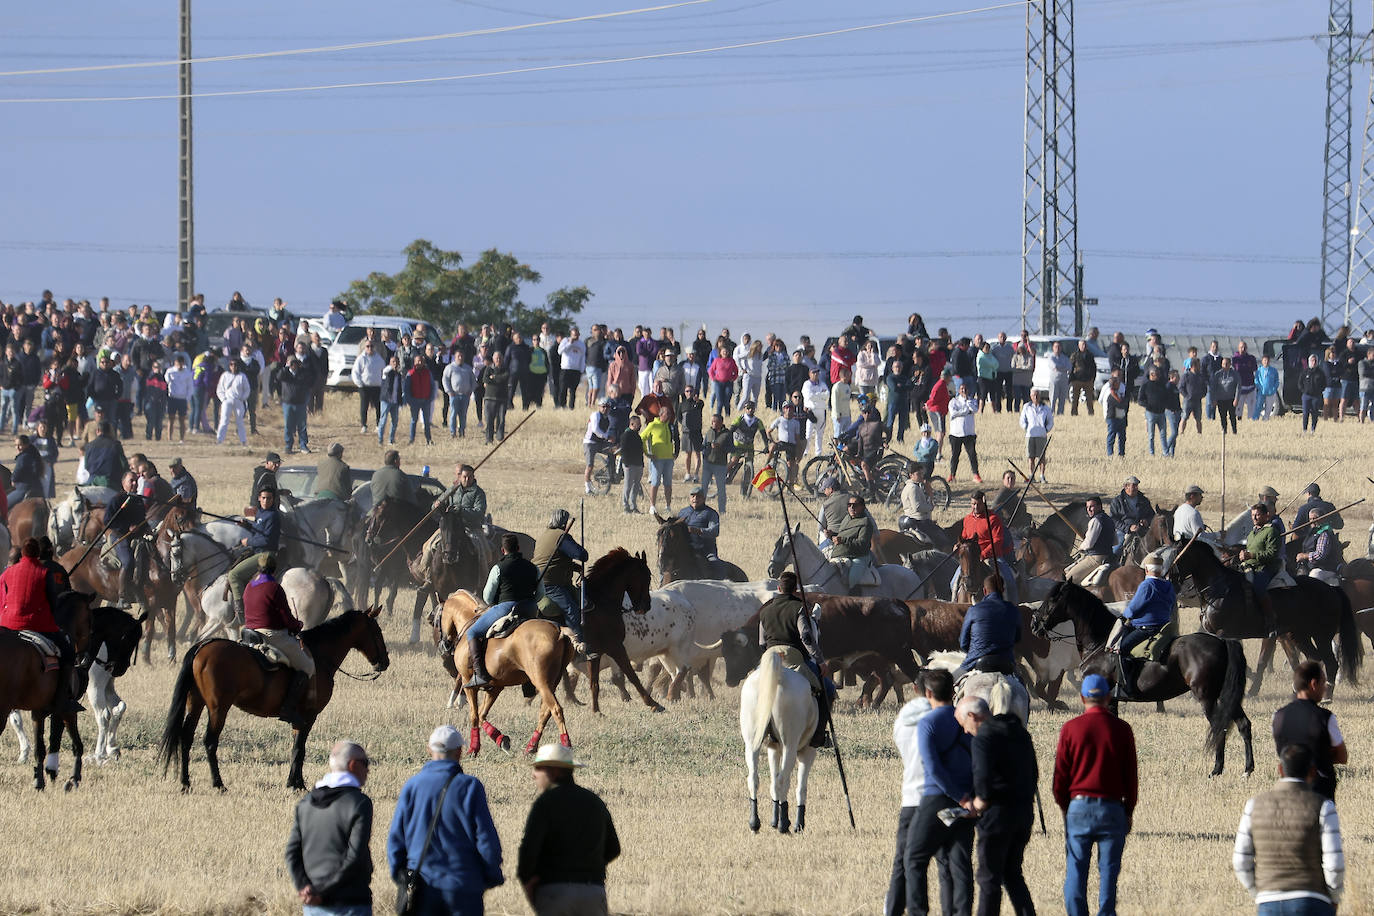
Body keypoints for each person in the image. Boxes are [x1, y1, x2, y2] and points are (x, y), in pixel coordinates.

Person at [387, 725, 504, 916]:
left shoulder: (412, 786)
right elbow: (486, 839)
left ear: (429, 750)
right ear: (459, 752)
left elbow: (395, 841)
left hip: (422, 888)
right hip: (463, 887)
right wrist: (491, 875)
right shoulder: (470, 787)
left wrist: (401, 876)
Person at [1053, 673, 1138, 916]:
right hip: (1112, 809)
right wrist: (1128, 810)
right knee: (1109, 873)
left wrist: (1065, 807)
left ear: (1081, 698)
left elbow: (1060, 777)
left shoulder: (1070, 728)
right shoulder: (1122, 729)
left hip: (1078, 807)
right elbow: (1130, 777)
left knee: (1076, 871)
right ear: (1109, 697)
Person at [1233, 743, 1344, 916]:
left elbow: (1240, 861)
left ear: (1280, 770)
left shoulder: (1253, 806)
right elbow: (1335, 865)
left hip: (1268, 903)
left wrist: (1259, 892)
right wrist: (1333, 897)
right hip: (1312, 900)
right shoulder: (1324, 807)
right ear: (1313, 772)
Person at [955, 696, 1038, 916]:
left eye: (964, 724)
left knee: (989, 877)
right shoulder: (1020, 732)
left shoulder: (984, 737)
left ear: (973, 716)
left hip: (997, 816)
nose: (964, 732)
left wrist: (978, 804)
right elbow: (1034, 773)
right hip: (1023, 813)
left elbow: (982, 778)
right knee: (1013, 874)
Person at [517, 743, 620, 916]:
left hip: (555, 893)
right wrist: (590, 869)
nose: (534, 775)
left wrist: (529, 879)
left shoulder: (545, 803)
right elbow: (614, 848)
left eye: (539, 768)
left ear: (555, 771)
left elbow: (528, 852)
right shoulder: (595, 802)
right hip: (593, 894)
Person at [903, 667, 974, 916]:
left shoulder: (928, 722)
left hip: (938, 799)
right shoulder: (965, 717)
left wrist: (958, 796)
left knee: (914, 859)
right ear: (953, 690)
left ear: (928, 692)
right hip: (966, 801)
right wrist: (969, 797)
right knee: (960, 865)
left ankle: (918, 912)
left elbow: (933, 767)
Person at [0, 537, 81, 713]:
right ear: (38, 554)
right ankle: (63, 698)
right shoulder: (44, 573)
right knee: (67, 651)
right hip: (36, 625)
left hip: (6, 624)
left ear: (22, 553)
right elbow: (53, 603)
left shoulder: (7, 572)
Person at [757, 571, 828, 748]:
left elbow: (761, 642)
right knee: (828, 689)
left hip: (769, 657)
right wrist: (820, 660)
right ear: (796, 589)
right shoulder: (799, 608)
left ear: (779, 588)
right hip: (793, 657)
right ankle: (819, 737)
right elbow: (806, 636)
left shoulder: (765, 611)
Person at [242, 553, 315, 726]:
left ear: (258, 568)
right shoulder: (274, 588)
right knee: (308, 666)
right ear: (275, 570)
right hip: (271, 636)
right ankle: (288, 709)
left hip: (249, 634)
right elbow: (286, 618)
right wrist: (297, 625)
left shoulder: (249, 586)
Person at [887, 672, 938, 916]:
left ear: (916, 690)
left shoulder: (901, 721)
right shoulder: (948, 720)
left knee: (903, 861)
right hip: (939, 799)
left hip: (910, 798)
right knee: (950, 863)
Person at [466, 534, 545, 688]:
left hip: (506, 608)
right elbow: (541, 594)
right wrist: (530, 603)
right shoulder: (533, 567)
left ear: (503, 550)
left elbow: (487, 597)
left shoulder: (498, 568)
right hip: (529, 609)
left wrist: (496, 603)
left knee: (472, 633)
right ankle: (528, 683)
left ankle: (480, 675)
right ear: (519, 548)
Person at [1272, 660, 1347, 801]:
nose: (1325, 688)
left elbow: (1281, 752)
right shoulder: (1326, 718)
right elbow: (1342, 757)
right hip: (1320, 791)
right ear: (1314, 684)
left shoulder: (1278, 716)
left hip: (1288, 791)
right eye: (1323, 683)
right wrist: (1321, 755)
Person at [532, 509, 592, 656]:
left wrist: (574, 567)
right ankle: (577, 646)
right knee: (571, 610)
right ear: (564, 523)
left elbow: (553, 560)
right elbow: (581, 555)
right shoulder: (562, 537)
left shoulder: (544, 535)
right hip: (551, 584)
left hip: (540, 580)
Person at [954, 491, 1019, 604]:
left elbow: (997, 540)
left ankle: (1013, 607)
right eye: (973, 504)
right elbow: (964, 537)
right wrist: (957, 546)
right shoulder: (967, 519)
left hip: (992, 556)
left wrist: (983, 554)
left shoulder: (993, 519)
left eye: (978, 504)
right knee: (953, 582)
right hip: (971, 557)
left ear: (984, 503)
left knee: (1009, 581)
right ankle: (954, 604)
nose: (975, 507)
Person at [1106, 556, 1175, 662]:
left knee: (1122, 648)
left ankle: (1124, 678)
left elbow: (1134, 608)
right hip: (1164, 625)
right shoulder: (1169, 585)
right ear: (1161, 570)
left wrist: (1125, 615)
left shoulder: (1147, 585)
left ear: (1146, 570)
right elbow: (1172, 604)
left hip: (1147, 627)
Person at [954, 571, 1020, 680]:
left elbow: (963, 642)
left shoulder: (973, 610)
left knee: (948, 684)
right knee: (1023, 689)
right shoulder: (1013, 609)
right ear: (1003, 590)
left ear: (985, 591)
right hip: (1006, 662)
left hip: (976, 661)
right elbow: (1017, 638)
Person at [105, 471, 148, 607]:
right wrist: (127, 527)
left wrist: (147, 528)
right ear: (124, 484)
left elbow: (141, 520)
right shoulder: (116, 499)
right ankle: (122, 596)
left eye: (136, 481)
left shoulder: (138, 499)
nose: (135, 483)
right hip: (120, 536)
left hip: (137, 536)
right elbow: (108, 520)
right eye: (131, 481)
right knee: (128, 562)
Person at [1239, 503, 1282, 639]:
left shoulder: (1272, 531)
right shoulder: (1252, 533)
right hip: (1249, 567)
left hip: (1266, 568)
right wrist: (1242, 555)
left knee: (1258, 587)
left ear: (1266, 515)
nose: (1254, 518)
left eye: (1257, 515)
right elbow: (1250, 550)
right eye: (1252, 515)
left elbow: (1271, 554)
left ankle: (1271, 620)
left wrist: (1251, 555)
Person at [824, 494, 878, 595]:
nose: (851, 508)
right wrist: (832, 535)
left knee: (852, 579)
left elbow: (862, 544)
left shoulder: (866, 523)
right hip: (841, 554)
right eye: (849, 505)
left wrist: (843, 540)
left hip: (859, 556)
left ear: (863, 507)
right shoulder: (846, 519)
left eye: (855, 505)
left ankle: (855, 600)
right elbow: (843, 535)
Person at [676, 485, 722, 565]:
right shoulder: (682, 512)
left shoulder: (711, 513)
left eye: (698, 496)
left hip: (706, 551)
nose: (695, 499)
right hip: (685, 551)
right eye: (693, 496)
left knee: (716, 566)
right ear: (689, 498)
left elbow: (714, 531)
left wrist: (697, 530)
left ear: (704, 498)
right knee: (666, 566)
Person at [946, 381, 981, 484]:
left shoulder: (972, 401)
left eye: (965, 389)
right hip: (955, 433)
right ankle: (952, 475)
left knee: (972, 455)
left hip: (969, 433)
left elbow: (974, 409)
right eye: (961, 389)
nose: (963, 391)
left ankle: (976, 475)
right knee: (955, 456)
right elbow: (953, 413)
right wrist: (966, 412)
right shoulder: (953, 401)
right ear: (958, 390)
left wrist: (967, 403)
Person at [641, 411, 674, 512]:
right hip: (657, 459)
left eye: (669, 415)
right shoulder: (652, 425)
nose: (668, 417)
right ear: (661, 415)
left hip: (669, 459)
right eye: (666, 415)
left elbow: (675, 438)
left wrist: (675, 452)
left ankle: (668, 506)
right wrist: (647, 453)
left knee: (668, 483)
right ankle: (652, 506)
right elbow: (642, 438)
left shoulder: (670, 426)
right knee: (655, 482)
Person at [699, 412, 731, 515]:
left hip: (720, 465)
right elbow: (703, 446)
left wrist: (720, 447)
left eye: (715, 422)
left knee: (721, 489)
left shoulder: (727, 434)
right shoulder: (709, 432)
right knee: (703, 488)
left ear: (721, 423)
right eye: (712, 421)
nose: (713, 423)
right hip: (708, 464)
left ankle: (722, 510)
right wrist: (705, 450)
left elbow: (731, 448)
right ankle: (700, 508)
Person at [1109, 475, 1151, 553]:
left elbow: (1152, 515)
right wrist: (1128, 528)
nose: (1136, 488)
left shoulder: (1144, 500)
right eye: (1133, 485)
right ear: (1126, 486)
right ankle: (1111, 563)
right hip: (1123, 531)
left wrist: (1147, 521)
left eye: (1137, 486)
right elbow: (1113, 519)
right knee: (1115, 551)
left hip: (1142, 530)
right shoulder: (1117, 501)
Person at [1018, 388, 1053, 482]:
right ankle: (1031, 475)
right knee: (1031, 457)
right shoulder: (1027, 407)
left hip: (1041, 435)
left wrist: (1045, 430)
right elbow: (1022, 420)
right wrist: (1027, 429)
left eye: (1037, 395)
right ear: (1031, 396)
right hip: (1030, 435)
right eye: (1033, 395)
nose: (1036, 397)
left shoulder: (1046, 408)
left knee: (1041, 457)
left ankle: (1042, 475)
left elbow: (1050, 421)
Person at [216, 358, 250, 445]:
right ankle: (219, 440)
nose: (233, 366)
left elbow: (247, 389)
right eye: (231, 364)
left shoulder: (242, 376)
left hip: (238, 401)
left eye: (235, 364)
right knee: (224, 420)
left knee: (240, 421)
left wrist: (242, 398)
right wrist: (223, 399)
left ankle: (243, 441)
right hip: (227, 400)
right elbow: (219, 389)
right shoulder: (225, 375)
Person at [898, 464, 937, 539]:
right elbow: (917, 507)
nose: (921, 476)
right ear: (911, 475)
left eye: (922, 473)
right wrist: (930, 507)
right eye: (918, 474)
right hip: (919, 521)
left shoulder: (911, 486)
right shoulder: (913, 488)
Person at [8, 435, 44, 505]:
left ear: (26, 445)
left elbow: (17, 472)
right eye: (16, 445)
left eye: (20, 445)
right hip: (38, 489)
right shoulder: (33, 453)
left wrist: (13, 480)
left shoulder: (23, 457)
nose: (17, 448)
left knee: (3, 505)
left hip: (24, 489)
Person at [619, 415, 645, 514]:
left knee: (636, 485)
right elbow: (623, 450)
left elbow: (640, 451)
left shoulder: (637, 436)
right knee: (628, 485)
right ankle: (626, 505)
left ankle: (633, 505)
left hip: (638, 464)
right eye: (638, 424)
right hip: (629, 465)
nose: (640, 426)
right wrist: (627, 463)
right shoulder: (626, 435)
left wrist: (641, 464)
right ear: (632, 424)